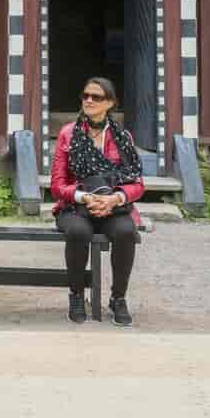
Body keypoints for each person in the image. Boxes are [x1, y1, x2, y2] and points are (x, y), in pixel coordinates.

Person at [49, 77, 144, 326]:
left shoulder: (123, 137)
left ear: (110, 103)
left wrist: (114, 198)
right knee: (79, 231)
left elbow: (137, 183)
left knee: (125, 231)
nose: (89, 100)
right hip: (75, 205)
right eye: (85, 96)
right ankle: (77, 295)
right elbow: (57, 185)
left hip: (113, 206)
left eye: (97, 97)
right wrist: (83, 196)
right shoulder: (69, 134)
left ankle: (118, 298)